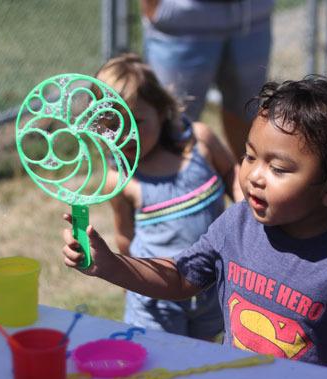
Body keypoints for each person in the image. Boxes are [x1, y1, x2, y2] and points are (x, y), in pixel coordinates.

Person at [63, 75, 327, 378]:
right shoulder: (237, 224)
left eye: (279, 168)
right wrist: (110, 264)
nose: (254, 176)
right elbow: (181, 277)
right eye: (250, 156)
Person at [94, 53, 242, 340]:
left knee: (205, 359)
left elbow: (231, 174)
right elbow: (125, 235)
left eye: (136, 121)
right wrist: (131, 281)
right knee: (160, 360)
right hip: (157, 297)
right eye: (113, 125)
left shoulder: (200, 142)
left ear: (161, 111)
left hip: (211, 282)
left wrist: (247, 211)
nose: (126, 135)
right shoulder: (122, 180)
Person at [139, 0, 274, 158]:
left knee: (248, 115)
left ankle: (239, 179)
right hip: (182, 18)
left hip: (253, 15)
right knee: (171, 126)